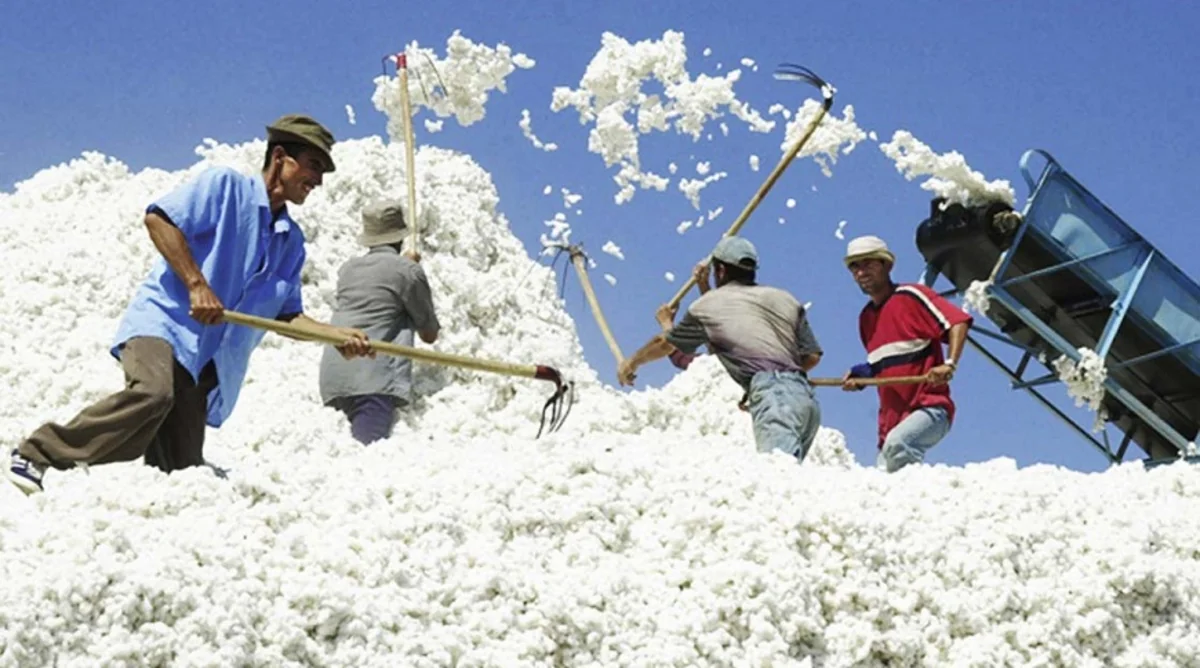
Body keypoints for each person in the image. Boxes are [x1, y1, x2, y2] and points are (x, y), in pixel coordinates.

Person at [7, 114, 373, 495]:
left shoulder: (290, 242)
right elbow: (159, 220)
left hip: (205, 361)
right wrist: (197, 284)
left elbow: (286, 315)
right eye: (314, 166)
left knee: (182, 475)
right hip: (164, 325)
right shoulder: (225, 187)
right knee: (153, 394)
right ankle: (36, 453)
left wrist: (335, 335)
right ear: (281, 157)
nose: (318, 180)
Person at [618, 236, 824, 461]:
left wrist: (632, 361)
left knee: (778, 477)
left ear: (721, 271)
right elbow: (811, 357)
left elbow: (665, 344)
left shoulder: (707, 306)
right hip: (805, 402)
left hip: (775, 401)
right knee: (788, 480)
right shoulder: (784, 299)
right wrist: (775, 381)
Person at [840, 235, 972, 472]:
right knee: (884, 478)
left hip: (929, 408)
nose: (861, 272)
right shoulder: (866, 319)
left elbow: (957, 322)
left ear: (887, 265)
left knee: (898, 446)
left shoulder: (911, 297)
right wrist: (861, 374)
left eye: (869, 263)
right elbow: (884, 363)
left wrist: (949, 364)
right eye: (855, 267)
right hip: (890, 424)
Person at [318, 200, 440, 444]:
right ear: (400, 236)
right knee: (367, 459)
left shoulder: (348, 269)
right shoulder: (407, 271)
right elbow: (429, 333)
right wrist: (412, 270)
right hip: (373, 381)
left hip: (335, 377)